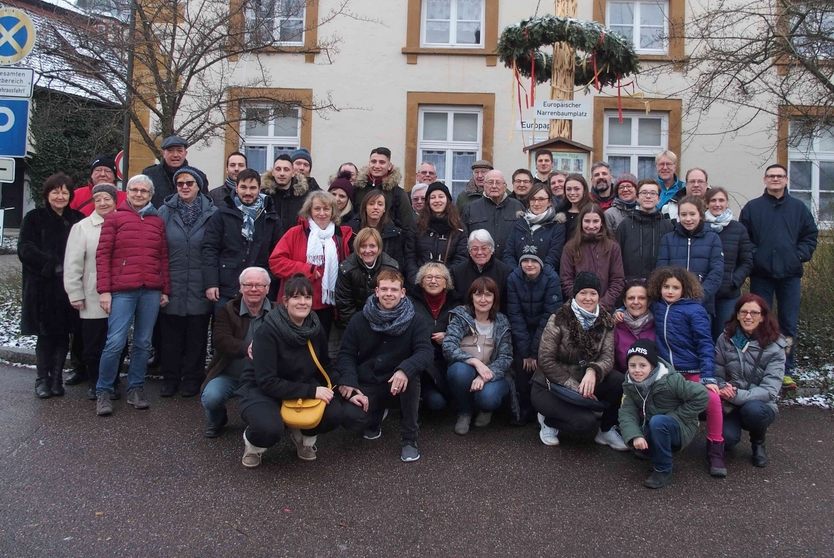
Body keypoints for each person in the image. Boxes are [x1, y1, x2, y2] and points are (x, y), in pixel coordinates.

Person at [239, 274, 368, 467]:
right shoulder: (268, 331)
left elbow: (324, 364)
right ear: (285, 300)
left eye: (307, 297)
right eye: (296, 297)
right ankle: (253, 444)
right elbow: (267, 381)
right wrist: (312, 391)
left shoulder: (314, 327)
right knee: (269, 429)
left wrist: (345, 388)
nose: (302, 302)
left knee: (334, 414)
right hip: (263, 389)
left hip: (301, 382)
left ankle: (302, 436)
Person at [337, 268, 433, 462]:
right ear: (377, 291)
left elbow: (425, 352)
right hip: (369, 379)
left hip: (399, 381)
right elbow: (346, 353)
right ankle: (375, 418)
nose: (389, 294)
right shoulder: (359, 319)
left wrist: (405, 369)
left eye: (394, 290)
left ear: (403, 292)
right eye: (385, 289)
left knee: (412, 378)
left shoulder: (416, 320)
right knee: (349, 417)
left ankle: (409, 439)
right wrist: (349, 381)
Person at [94, 174, 170, 416]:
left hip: (150, 290)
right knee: (115, 342)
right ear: (127, 192)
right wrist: (104, 291)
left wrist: (165, 289)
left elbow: (163, 257)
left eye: (144, 191)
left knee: (143, 343)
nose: (139, 194)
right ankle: (104, 390)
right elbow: (103, 256)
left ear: (151, 195)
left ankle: (136, 388)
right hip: (122, 291)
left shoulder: (157, 222)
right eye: (134, 190)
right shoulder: (114, 219)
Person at [740, 163, 818, 387]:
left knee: (787, 323)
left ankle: (785, 369)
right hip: (761, 274)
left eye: (780, 176)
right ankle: (756, 367)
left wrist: (797, 255)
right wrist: (757, 257)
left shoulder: (798, 208)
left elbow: (810, 236)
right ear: (765, 180)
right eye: (771, 176)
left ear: (786, 180)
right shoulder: (752, 208)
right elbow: (745, 240)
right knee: (755, 320)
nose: (775, 179)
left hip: (790, 275)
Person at [531, 272, 627, 450]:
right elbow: (545, 360)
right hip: (550, 386)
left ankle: (606, 430)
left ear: (599, 295)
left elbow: (607, 357)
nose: (588, 298)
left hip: (585, 380)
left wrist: (593, 370)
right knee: (585, 423)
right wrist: (574, 387)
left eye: (593, 293)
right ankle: (548, 421)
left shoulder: (606, 320)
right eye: (583, 293)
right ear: (575, 294)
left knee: (618, 381)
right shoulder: (559, 318)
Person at [647, 266, 726, 477]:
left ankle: (716, 449)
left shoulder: (695, 310)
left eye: (675, 287)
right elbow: (632, 306)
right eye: (666, 287)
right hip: (667, 371)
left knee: (712, 399)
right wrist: (619, 312)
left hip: (691, 369)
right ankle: (652, 443)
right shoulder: (657, 306)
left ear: (685, 289)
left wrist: (708, 376)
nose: (670, 291)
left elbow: (705, 344)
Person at [19, 173, 84, 399]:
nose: (60, 196)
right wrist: (52, 265)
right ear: (47, 194)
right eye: (55, 191)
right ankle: (42, 380)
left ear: (70, 195)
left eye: (64, 192)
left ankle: (57, 379)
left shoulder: (77, 218)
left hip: (69, 288)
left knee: (64, 334)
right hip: (42, 287)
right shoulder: (34, 218)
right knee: (45, 335)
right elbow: (25, 248)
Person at [157, 166, 217, 397]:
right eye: (180, 183)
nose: (184, 187)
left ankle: (192, 378)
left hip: (200, 283)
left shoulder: (212, 213)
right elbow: (158, 249)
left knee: (197, 336)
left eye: (189, 183)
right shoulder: (164, 212)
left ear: (198, 186)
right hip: (171, 282)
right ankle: (170, 378)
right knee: (170, 337)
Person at [619, 339, 709, 489]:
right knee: (650, 426)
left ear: (652, 366)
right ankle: (653, 451)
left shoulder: (670, 380)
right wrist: (635, 435)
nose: (637, 370)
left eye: (643, 365)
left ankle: (663, 469)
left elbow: (702, 395)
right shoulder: (630, 384)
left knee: (658, 422)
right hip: (654, 424)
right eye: (632, 365)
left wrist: (676, 417)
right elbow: (626, 412)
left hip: (681, 426)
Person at [64, 183, 122, 400]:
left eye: (107, 198)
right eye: (98, 199)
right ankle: (95, 381)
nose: (103, 203)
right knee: (93, 343)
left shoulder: (124, 223)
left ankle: (113, 381)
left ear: (115, 201)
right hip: (92, 295)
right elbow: (73, 264)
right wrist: (75, 292)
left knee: (117, 343)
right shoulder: (82, 227)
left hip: (120, 294)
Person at [715, 294, 786, 468]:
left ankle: (758, 442)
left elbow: (770, 390)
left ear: (762, 317)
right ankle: (730, 434)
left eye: (754, 313)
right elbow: (716, 372)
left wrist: (736, 395)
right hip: (729, 402)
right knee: (727, 440)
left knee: (754, 412)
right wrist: (722, 387)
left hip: (758, 404)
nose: (748, 316)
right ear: (737, 315)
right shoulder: (725, 339)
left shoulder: (775, 346)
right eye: (743, 312)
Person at [201, 267, 273, 438]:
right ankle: (217, 420)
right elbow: (220, 339)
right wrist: (246, 348)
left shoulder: (278, 312)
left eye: (259, 285)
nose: (253, 289)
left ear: (267, 288)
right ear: (240, 288)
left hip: (263, 378)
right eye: (248, 285)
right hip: (230, 375)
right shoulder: (227, 310)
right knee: (211, 397)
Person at [269, 191, 352, 336]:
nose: (322, 213)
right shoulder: (295, 233)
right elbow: (276, 262)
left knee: (319, 351)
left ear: (333, 211)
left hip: (326, 306)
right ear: (309, 211)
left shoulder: (340, 235)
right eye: (317, 208)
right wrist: (307, 270)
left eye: (326, 209)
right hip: (296, 302)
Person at [202, 169, 282, 308]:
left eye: (253, 188)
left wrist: (268, 278)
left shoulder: (271, 217)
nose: (248, 193)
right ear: (236, 187)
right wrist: (211, 283)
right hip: (226, 287)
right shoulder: (222, 214)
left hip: (260, 288)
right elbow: (210, 249)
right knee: (226, 328)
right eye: (243, 187)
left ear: (259, 189)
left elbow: (278, 253)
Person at [443, 277, 512, 434]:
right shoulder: (461, 316)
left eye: (488, 295)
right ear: (471, 297)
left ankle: (485, 409)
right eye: (478, 294)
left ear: (494, 298)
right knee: (458, 372)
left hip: (492, 373)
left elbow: (505, 357)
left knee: (488, 398)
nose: (483, 299)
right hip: (467, 370)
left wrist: (484, 376)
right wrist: (474, 361)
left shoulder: (502, 321)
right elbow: (448, 346)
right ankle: (465, 412)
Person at [506, 247, 562, 424]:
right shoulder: (513, 278)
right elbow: (515, 315)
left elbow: (550, 315)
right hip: (522, 330)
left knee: (544, 365)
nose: (529, 265)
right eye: (525, 260)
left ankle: (544, 411)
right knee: (521, 367)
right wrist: (525, 353)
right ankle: (524, 408)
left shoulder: (551, 278)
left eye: (533, 261)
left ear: (541, 263)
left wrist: (534, 352)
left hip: (546, 329)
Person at [657, 195, 724, 315]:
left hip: (702, 305)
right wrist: (673, 294)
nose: (688, 219)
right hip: (673, 304)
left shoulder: (713, 238)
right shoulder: (668, 239)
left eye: (692, 214)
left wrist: (699, 296)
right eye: (683, 214)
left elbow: (716, 272)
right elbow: (662, 270)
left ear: (701, 215)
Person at [704, 187, 754, 340]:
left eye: (721, 200)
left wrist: (734, 281)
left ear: (727, 203)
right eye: (713, 200)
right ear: (706, 204)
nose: (717, 204)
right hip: (704, 293)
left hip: (728, 294)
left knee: (724, 336)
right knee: (704, 335)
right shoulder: (700, 227)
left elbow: (747, 261)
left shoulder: (738, 229)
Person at [409, 262, 456, 412]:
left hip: (447, 361)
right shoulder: (410, 302)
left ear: (446, 282)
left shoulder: (457, 302)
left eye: (438, 277)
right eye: (428, 277)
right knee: (437, 404)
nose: (433, 281)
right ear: (421, 282)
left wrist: (448, 336)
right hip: (423, 363)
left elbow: (465, 331)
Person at [559, 205, 625, 311]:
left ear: (602, 223)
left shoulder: (612, 247)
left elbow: (617, 280)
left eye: (595, 221)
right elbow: (566, 279)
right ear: (581, 222)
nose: (591, 225)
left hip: (605, 309)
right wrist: (582, 302)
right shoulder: (570, 247)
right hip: (577, 308)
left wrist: (602, 305)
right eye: (587, 221)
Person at [335, 227, 399, 328]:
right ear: (357, 248)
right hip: (356, 321)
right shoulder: (346, 269)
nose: (367, 250)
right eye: (363, 246)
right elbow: (344, 303)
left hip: (384, 320)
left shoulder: (391, 267)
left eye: (372, 246)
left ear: (379, 248)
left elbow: (393, 299)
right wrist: (357, 327)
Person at [407, 181, 468, 285]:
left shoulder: (459, 228)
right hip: (419, 285)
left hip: (448, 286)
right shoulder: (416, 226)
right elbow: (410, 256)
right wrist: (418, 279)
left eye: (441, 196)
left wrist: (443, 279)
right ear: (428, 202)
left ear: (447, 200)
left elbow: (461, 259)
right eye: (433, 197)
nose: (437, 200)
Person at [615, 179, 674, 282]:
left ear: (659, 199)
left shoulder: (667, 226)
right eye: (644, 193)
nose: (648, 196)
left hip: (660, 284)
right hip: (631, 285)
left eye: (652, 193)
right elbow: (617, 258)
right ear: (637, 197)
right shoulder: (625, 225)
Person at [460, 169, 524, 261]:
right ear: (484, 185)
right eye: (490, 182)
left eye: (498, 183)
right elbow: (463, 240)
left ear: (505, 186)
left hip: (510, 265)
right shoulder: (471, 208)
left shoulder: (517, 206)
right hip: (480, 265)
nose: (494, 186)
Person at [503, 182, 566, 273]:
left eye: (541, 199)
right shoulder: (519, 223)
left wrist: (537, 275)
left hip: (545, 280)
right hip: (518, 278)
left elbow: (554, 257)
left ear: (549, 202)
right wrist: (517, 273)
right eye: (533, 199)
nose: (536, 203)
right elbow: (508, 253)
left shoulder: (556, 226)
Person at [348, 189, 411, 278]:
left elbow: (398, 264)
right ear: (365, 207)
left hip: (385, 279)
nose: (376, 207)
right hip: (357, 278)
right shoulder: (352, 231)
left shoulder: (394, 234)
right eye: (371, 203)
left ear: (384, 209)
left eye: (380, 204)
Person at [353, 147, 414, 231]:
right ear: (369, 164)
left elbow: (408, 225)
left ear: (389, 166)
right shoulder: (358, 188)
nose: (377, 166)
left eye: (382, 162)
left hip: (389, 241)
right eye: (373, 161)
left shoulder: (398, 193)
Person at [262, 153, 319, 238]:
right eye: (278, 169)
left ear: (293, 173)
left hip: (296, 245)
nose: (282, 173)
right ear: (273, 172)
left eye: (286, 169)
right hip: (270, 247)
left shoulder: (305, 196)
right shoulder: (264, 196)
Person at [449, 229, 511, 305]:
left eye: (484, 248)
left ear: (491, 249)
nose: (479, 252)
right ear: (469, 251)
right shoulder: (457, 272)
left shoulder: (505, 272)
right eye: (475, 249)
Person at [144, 135, 208, 207]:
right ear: (163, 153)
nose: (175, 155)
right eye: (170, 151)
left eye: (179, 151)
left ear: (185, 153)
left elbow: (205, 204)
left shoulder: (198, 176)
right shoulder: (149, 175)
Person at [613, 280, 656, 374]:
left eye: (641, 298)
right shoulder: (615, 326)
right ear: (624, 302)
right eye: (631, 298)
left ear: (648, 302)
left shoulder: (658, 326)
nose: (636, 302)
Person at [562, 173, 592, 240]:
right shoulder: (560, 211)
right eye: (569, 189)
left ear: (584, 190)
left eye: (576, 189)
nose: (572, 193)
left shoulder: (591, 211)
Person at [655, 150, 685, 215]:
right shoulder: (651, 189)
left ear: (675, 166)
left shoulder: (684, 189)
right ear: (656, 166)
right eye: (661, 164)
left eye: (668, 164)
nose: (665, 167)